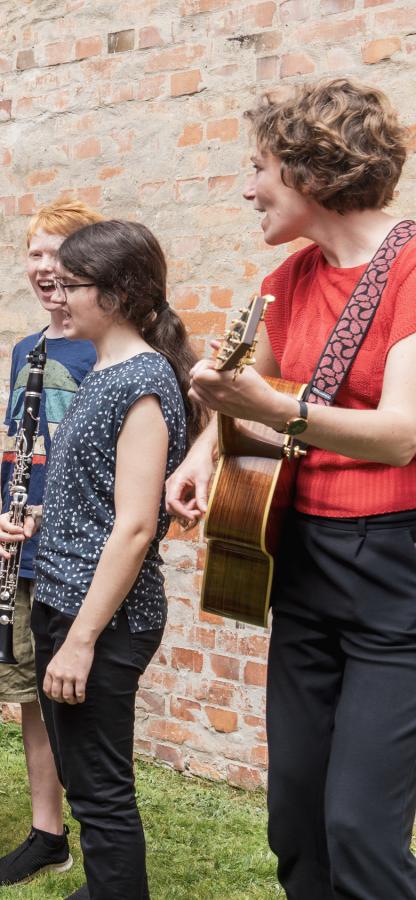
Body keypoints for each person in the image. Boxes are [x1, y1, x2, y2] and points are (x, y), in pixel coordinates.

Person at [166, 78, 416, 899]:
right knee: (296, 821)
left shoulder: (411, 265)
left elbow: (402, 432)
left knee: (361, 830)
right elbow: (244, 396)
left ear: (312, 170)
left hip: (394, 570)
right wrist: (206, 449)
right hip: (302, 560)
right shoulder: (289, 279)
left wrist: (276, 410)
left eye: (260, 166)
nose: (247, 186)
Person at [0, 220, 196, 899]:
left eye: (72, 284)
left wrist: (80, 642)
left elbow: (138, 525)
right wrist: (39, 518)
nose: (58, 293)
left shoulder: (141, 381)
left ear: (115, 294)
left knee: (102, 794)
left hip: (103, 618)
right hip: (66, 599)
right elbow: (106, 501)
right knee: (85, 784)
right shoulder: (105, 370)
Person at [0, 200, 103, 888]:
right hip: (20, 544)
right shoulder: (30, 348)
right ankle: (47, 831)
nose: (47, 268)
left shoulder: (111, 346)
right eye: (36, 253)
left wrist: (56, 514)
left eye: (64, 253)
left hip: (82, 550)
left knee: (86, 695)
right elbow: (20, 451)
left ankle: (102, 832)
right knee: (30, 690)